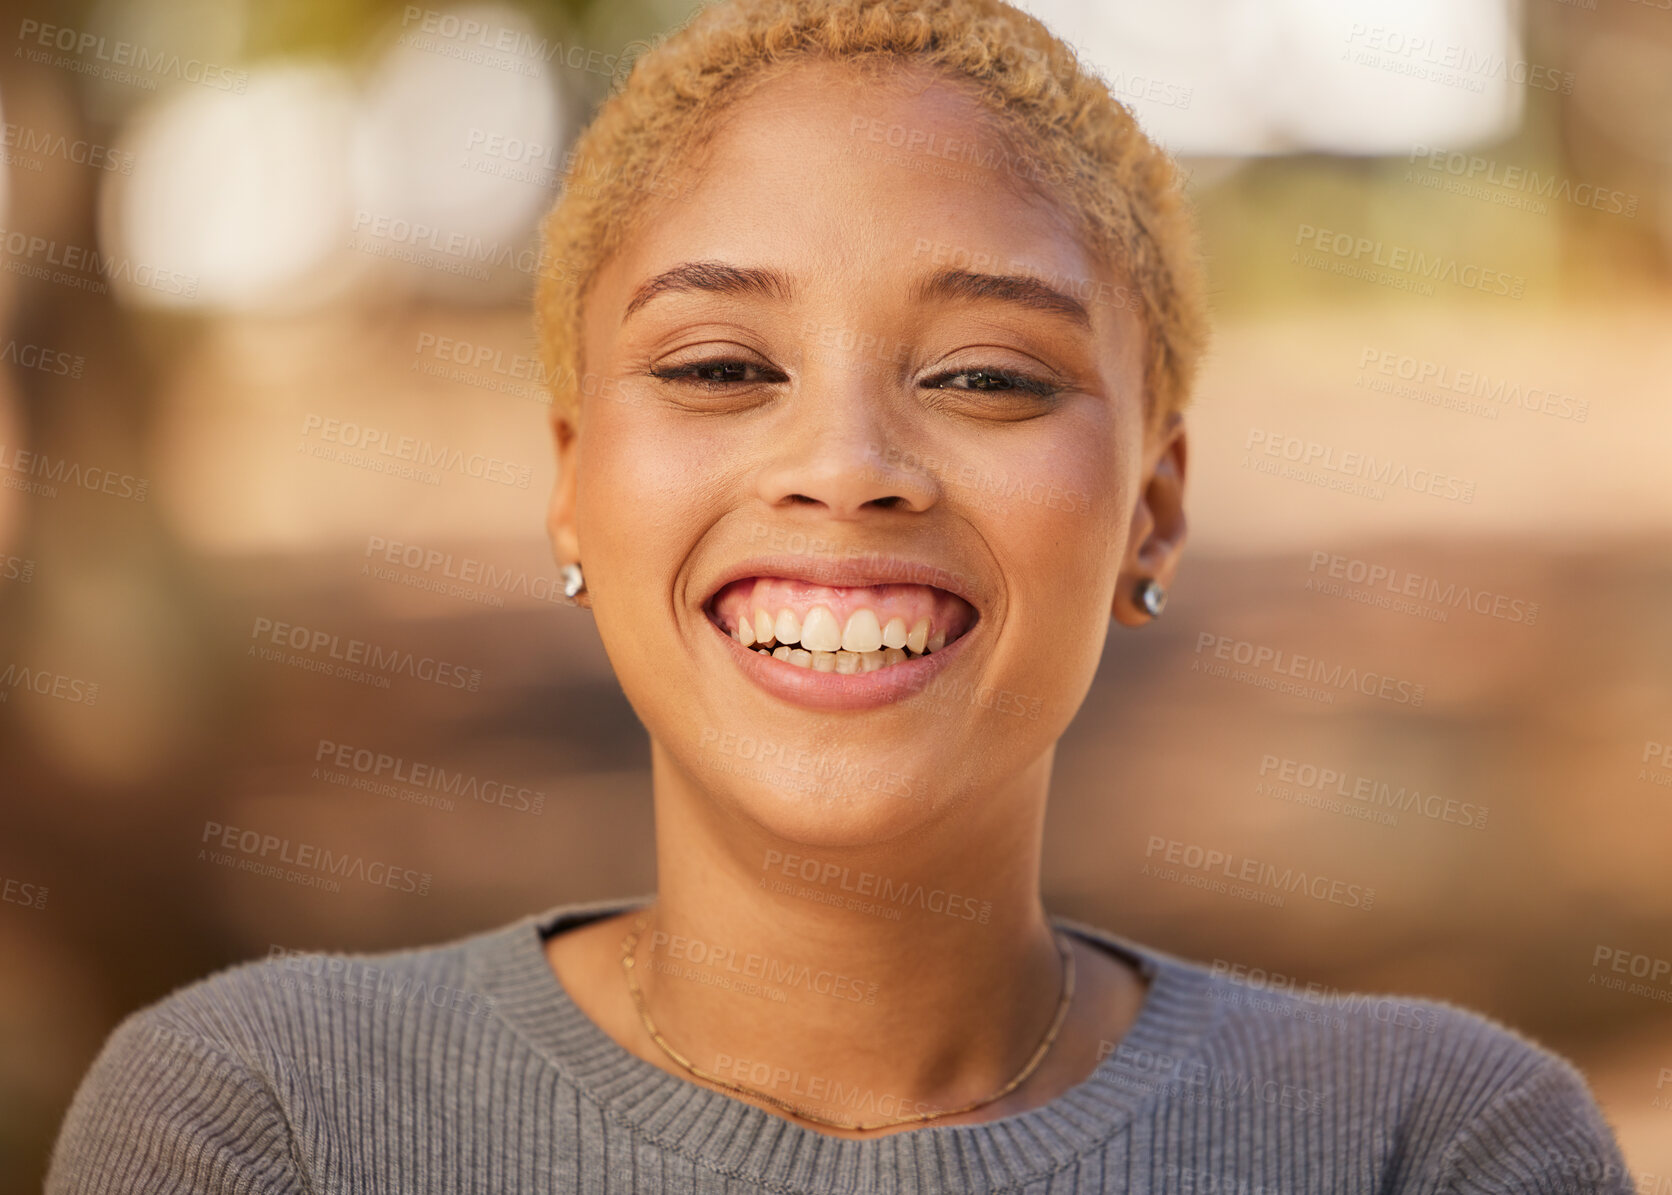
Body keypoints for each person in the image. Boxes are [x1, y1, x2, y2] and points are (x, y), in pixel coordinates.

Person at [47, 0, 1634, 1190]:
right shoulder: (271, 1119)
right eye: (723, 366)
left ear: (1153, 507)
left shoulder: (1428, 1148)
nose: (849, 464)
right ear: (572, 480)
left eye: (988, 375)